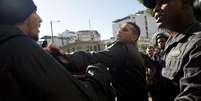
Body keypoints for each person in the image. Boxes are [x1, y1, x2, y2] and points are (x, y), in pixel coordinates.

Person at [0, 0, 113, 101]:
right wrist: (98, 73)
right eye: (34, 12)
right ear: (21, 14)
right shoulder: (21, 47)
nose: (40, 19)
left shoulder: (7, 45)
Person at [48, 22, 148, 101]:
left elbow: (95, 58)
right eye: (120, 29)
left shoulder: (122, 47)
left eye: (125, 30)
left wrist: (65, 56)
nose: (119, 31)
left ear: (134, 37)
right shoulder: (136, 53)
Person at [143, 0, 201, 100]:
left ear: (185, 2)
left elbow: (192, 96)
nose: (155, 9)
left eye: (162, 2)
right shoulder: (171, 41)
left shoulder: (197, 42)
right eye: (154, 5)